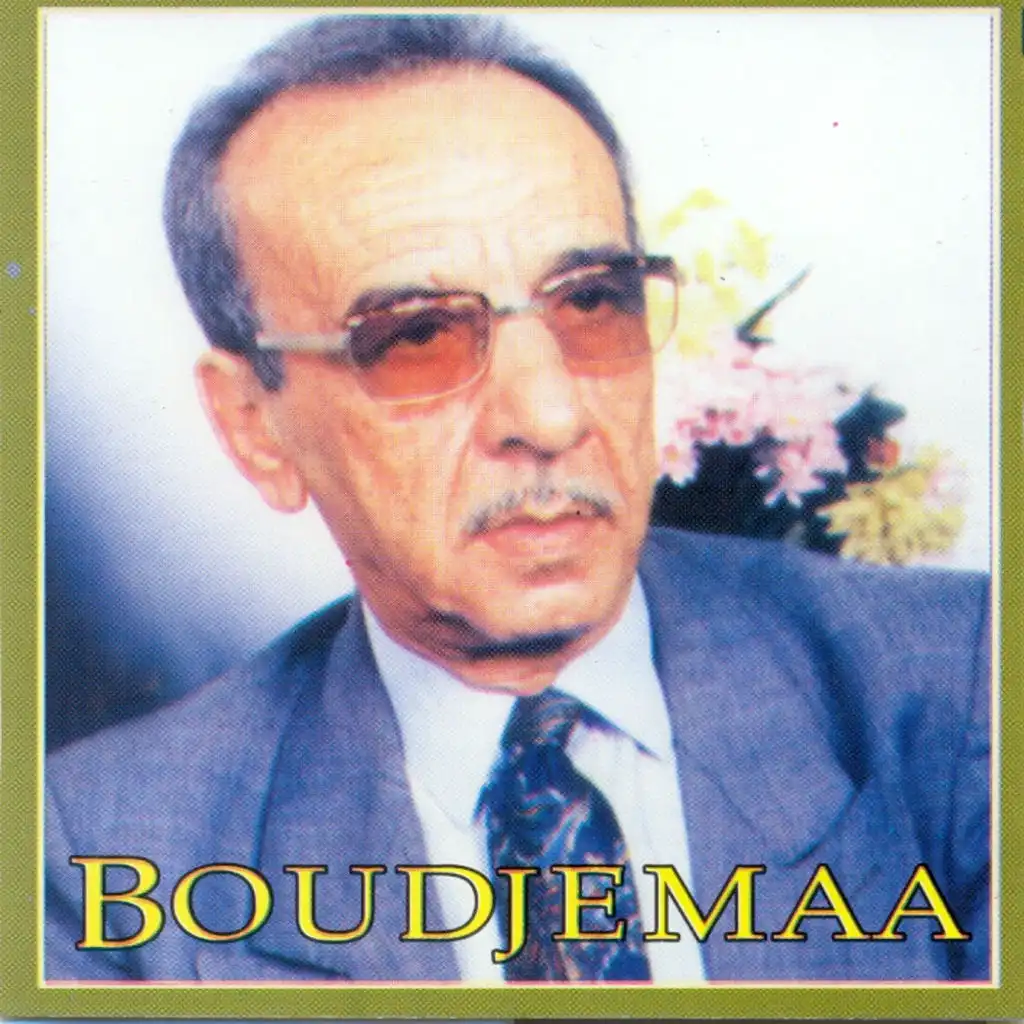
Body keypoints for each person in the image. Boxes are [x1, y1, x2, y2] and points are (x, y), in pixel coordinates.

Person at [45, 13, 990, 984]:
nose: (549, 415)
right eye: (417, 336)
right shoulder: (98, 856)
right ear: (255, 426)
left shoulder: (966, 684)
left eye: (591, 301)